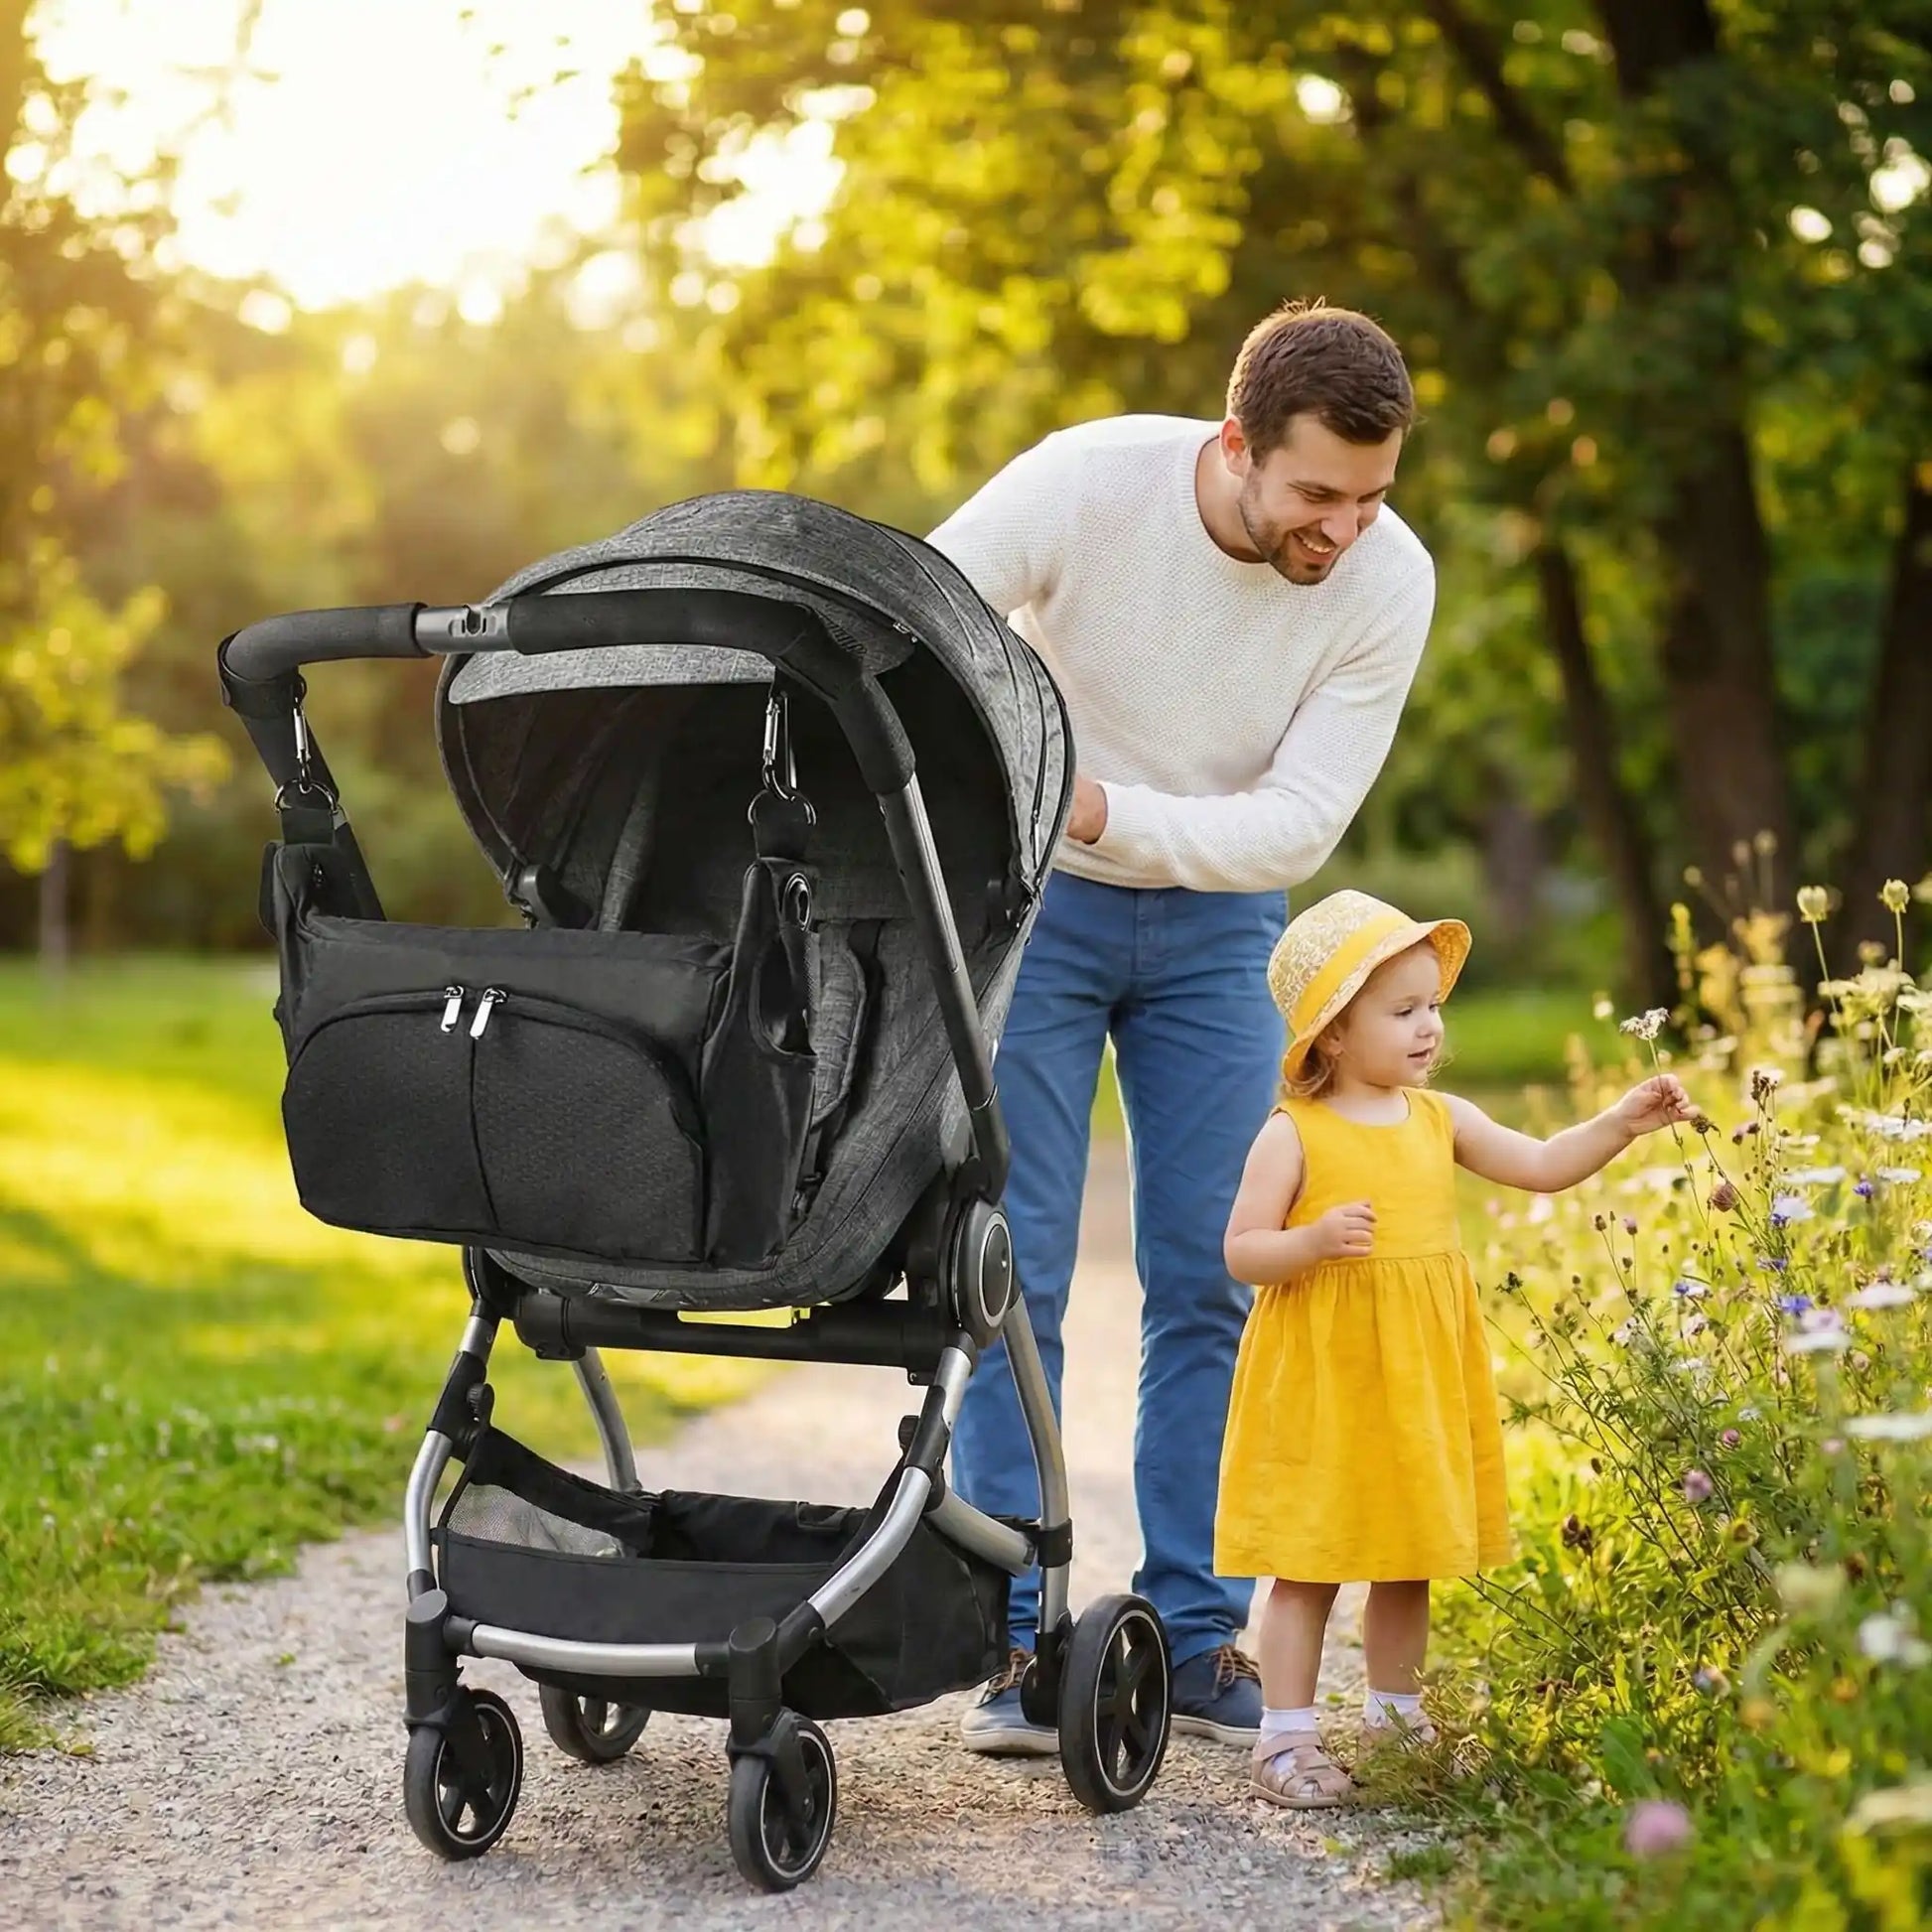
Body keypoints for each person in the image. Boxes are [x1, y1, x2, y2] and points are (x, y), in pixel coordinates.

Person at [925, 302, 1438, 1755]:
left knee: (1216, 1269)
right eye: (1315, 494)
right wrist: (1035, 796)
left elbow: (1300, 814)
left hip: (1223, 923)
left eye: (1370, 494)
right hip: (1028, 898)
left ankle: (1198, 1629)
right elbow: (926, 615)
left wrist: (1115, 812)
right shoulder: (1088, 481)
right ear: (1236, 445)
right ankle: (1017, 1639)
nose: (1341, 528)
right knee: (1008, 1268)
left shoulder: (1386, 580)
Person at [1218, 890, 1699, 1807]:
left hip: (1415, 1379)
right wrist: (1311, 1243)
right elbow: (1242, 1250)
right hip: (1327, 1380)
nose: (1429, 1027)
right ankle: (1284, 1737)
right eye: (1402, 1011)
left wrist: (1618, 1124)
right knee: (1310, 1559)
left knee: (1407, 1554)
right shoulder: (1295, 1134)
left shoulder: (1441, 1120)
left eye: (1433, 1005)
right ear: (1328, 1034)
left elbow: (1543, 1164)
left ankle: (1398, 1721)